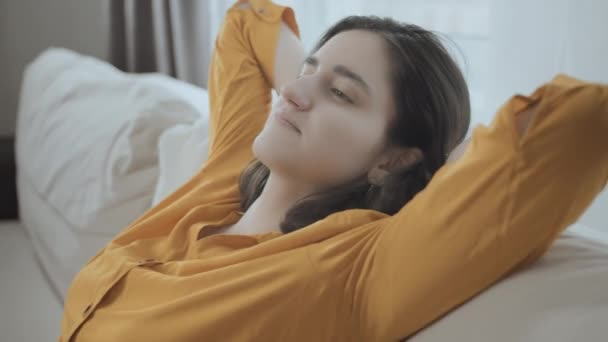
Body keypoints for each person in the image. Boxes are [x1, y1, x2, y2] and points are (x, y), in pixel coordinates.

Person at [58, 0, 608, 341]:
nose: (293, 92)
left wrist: (437, 157)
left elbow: (582, 124)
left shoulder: (358, 268)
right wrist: (317, 86)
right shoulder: (225, 178)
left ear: (394, 156)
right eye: (305, 71)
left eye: (341, 93)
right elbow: (244, 22)